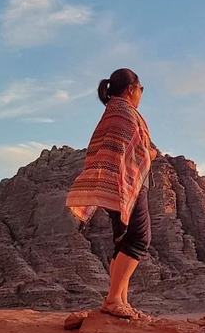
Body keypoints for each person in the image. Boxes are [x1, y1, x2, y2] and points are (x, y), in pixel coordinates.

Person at [66, 68, 158, 319]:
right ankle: (114, 298)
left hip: (115, 186)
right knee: (139, 239)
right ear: (131, 89)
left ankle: (119, 300)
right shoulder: (126, 114)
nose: (141, 94)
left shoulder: (112, 113)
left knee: (123, 240)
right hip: (127, 186)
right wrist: (151, 154)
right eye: (141, 89)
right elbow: (138, 152)